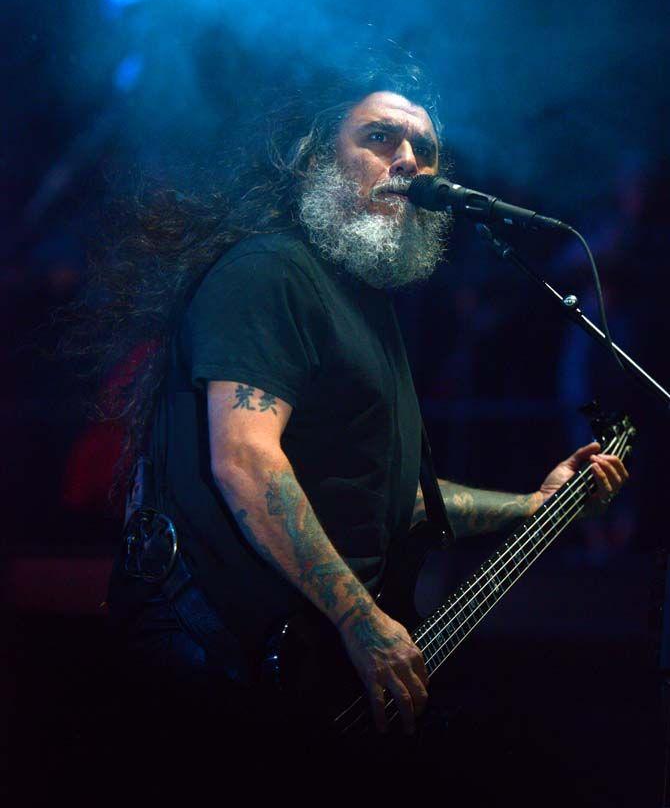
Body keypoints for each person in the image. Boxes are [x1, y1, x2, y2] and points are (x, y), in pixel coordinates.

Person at [102, 54, 628, 747]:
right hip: (231, 677)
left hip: (310, 681)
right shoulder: (271, 271)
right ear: (314, 157)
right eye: (380, 138)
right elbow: (245, 459)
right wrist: (358, 618)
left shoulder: (365, 304)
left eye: (425, 149)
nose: (409, 160)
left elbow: (391, 498)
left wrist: (535, 507)